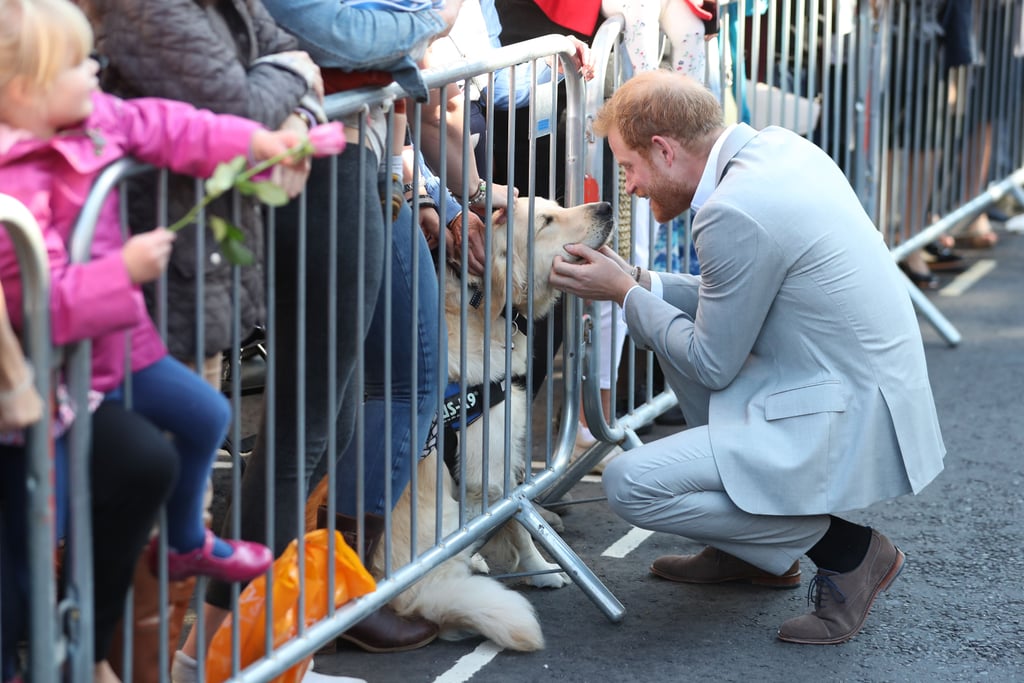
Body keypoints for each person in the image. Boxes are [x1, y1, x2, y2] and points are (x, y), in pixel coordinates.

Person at [549, 70, 946, 644]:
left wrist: (624, 294)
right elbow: (733, 300)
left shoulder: (732, 211)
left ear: (664, 149)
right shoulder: (779, 148)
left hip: (844, 407)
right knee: (668, 331)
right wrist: (639, 280)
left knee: (630, 484)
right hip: (854, 382)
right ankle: (753, 552)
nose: (629, 186)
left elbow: (712, 362)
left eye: (629, 166)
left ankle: (852, 553)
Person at [0, 0, 323, 667]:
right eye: (76, 63)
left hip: (117, 345)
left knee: (205, 413)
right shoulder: (11, 186)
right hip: (51, 374)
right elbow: (36, 307)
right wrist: (121, 269)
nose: (96, 70)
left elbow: (171, 124)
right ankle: (48, 647)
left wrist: (258, 142)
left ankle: (180, 541)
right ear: (26, 88)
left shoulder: (90, 118)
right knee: (42, 536)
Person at [174, 4, 460, 680]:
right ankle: (214, 661)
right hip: (319, 157)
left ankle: (248, 655)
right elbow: (331, 31)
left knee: (322, 428)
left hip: (337, 150)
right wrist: (426, 18)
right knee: (301, 435)